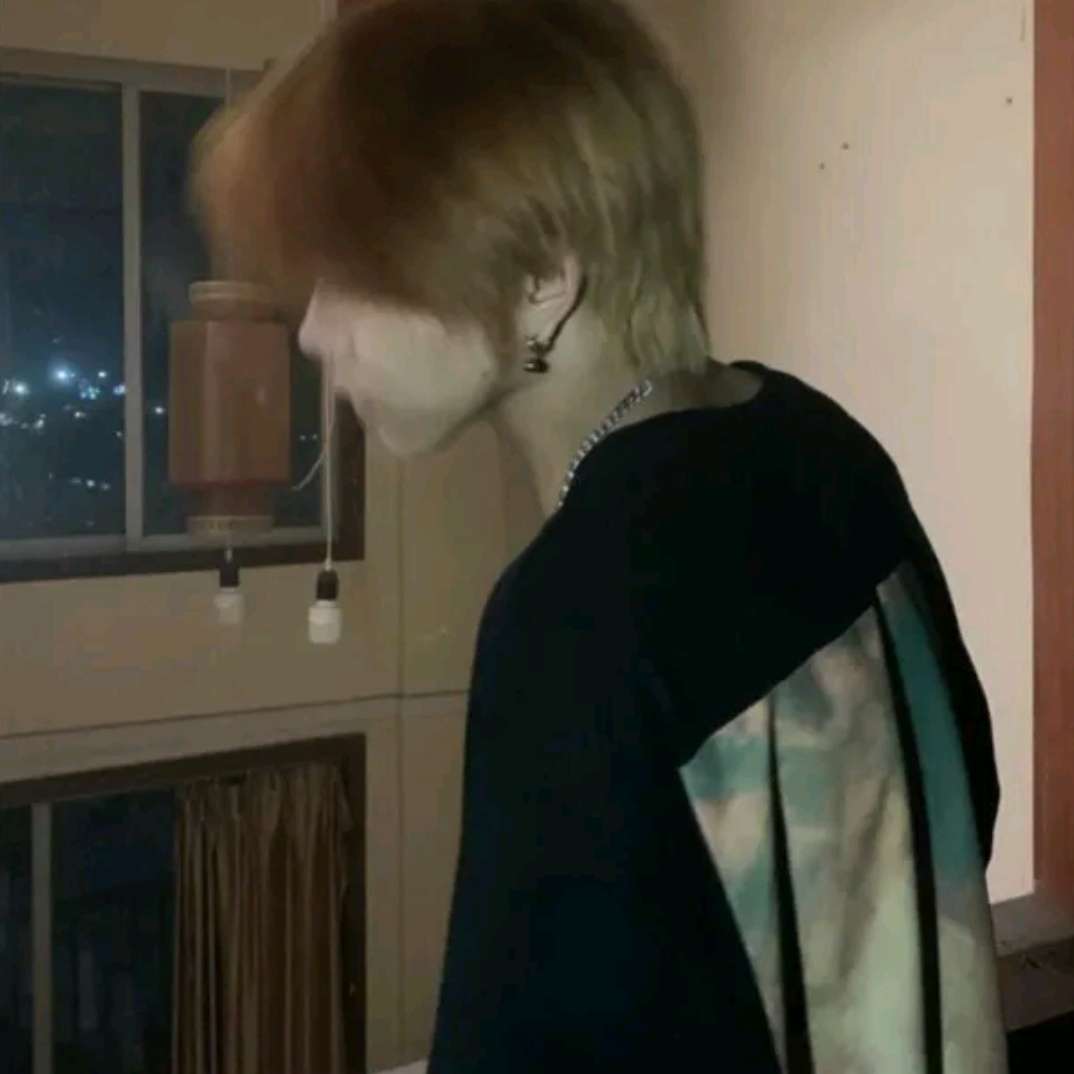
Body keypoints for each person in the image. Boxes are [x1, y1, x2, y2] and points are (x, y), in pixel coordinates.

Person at [192, 1, 1007, 1071]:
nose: (309, 331)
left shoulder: (576, 610)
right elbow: (960, 808)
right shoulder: (817, 442)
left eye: (353, 271)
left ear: (540, 275)